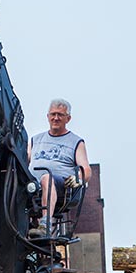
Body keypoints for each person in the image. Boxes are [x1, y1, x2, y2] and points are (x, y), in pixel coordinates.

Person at [27, 99, 91, 235]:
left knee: (46, 178)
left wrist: (78, 179)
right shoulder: (35, 140)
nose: (56, 118)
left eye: (60, 115)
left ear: (68, 118)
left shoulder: (75, 142)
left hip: (62, 186)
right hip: (33, 186)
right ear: (48, 116)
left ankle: (45, 225)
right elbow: (23, 161)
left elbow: (86, 170)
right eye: (53, 114)